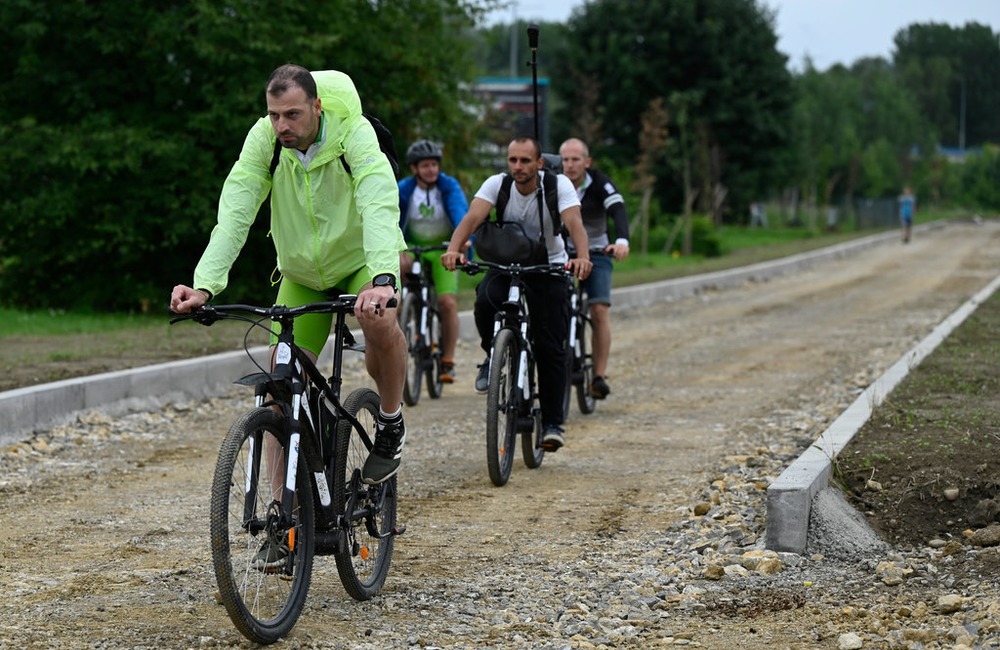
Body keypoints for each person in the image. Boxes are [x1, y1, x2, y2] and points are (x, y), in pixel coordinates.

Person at [169, 65, 408, 493]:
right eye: (274, 115)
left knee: (379, 323)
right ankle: (284, 520)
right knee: (280, 387)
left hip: (362, 265)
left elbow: (378, 201)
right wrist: (204, 284)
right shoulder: (265, 140)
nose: (282, 125)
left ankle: (390, 422)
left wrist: (383, 278)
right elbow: (236, 212)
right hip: (301, 273)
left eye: (293, 114)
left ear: (317, 106)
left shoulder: (353, 133)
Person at [441, 136, 592, 452]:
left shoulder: (558, 184)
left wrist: (582, 256)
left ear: (539, 162)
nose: (518, 167)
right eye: (513, 160)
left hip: (549, 266)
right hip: (506, 262)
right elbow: (472, 218)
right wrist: (454, 250)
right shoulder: (498, 185)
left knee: (550, 346)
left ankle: (552, 423)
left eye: (525, 161)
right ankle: (492, 356)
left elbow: (573, 221)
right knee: (485, 301)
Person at [558, 137, 630, 400]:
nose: (569, 165)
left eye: (575, 159)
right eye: (565, 159)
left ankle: (598, 376)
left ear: (586, 162)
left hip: (598, 251)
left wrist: (621, 240)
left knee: (599, 309)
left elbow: (618, 209)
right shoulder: (553, 182)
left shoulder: (600, 182)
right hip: (562, 253)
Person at [397, 140, 470, 383]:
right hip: (411, 249)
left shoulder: (448, 186)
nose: (431, 170)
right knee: (395, 293)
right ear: (414, 168)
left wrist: (462, 243)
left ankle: (447, 361)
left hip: (444, 250)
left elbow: (461, 212)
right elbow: (389, 217)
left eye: (434, 165)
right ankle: (405, 323)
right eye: (425, 165)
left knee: (447, 302)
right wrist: (394, 248)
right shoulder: (404, 189)